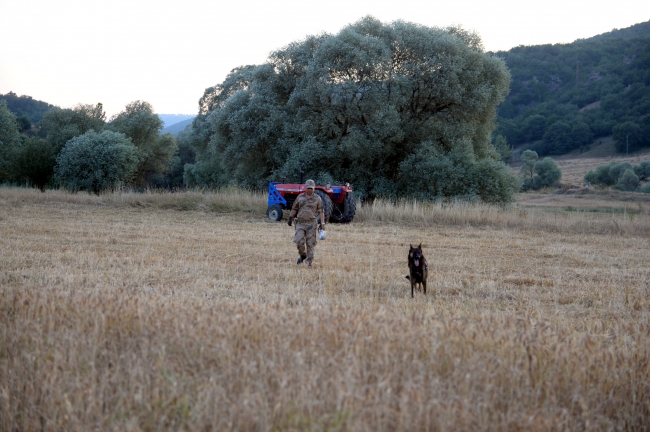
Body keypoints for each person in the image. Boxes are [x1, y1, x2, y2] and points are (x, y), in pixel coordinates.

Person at [287, 179, 325, 268]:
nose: (309, 190)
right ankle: (302, 255)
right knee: (299, 241)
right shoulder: (300, 197)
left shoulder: (317, 198)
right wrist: (290, 217)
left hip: (312, 224)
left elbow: (321, 211)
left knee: (310, 244)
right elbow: (294, 208)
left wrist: (322, 224)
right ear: (305, 188)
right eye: (308, 188)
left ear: (314, 188)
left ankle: (309, 263)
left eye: (311, 188)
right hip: (300, 223)